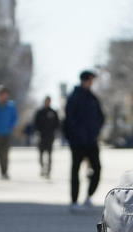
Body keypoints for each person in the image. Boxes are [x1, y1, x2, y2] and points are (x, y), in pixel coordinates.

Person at [64, 70, 105, 209]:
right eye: (90, 80)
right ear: (84, 80)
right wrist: (73, 136)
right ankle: (74, 201)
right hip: (77, 142)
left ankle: (88, 196)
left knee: (97, 168)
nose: (91, 82)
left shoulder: (92, 98)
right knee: (75, 170)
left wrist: (95, 131)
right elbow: (68, 119)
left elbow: (101, 117)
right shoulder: (74, 97)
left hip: (91, 141)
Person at [33, 95, 60, 178]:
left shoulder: (53, 112)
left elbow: (57, 123)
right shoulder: (40, 112)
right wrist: (38, 131)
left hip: (50, 136)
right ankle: (42, 168)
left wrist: (54, 131)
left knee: (49, 155)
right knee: (41, 154)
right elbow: (35, 123)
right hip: (41, 136)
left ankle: (48, 171)